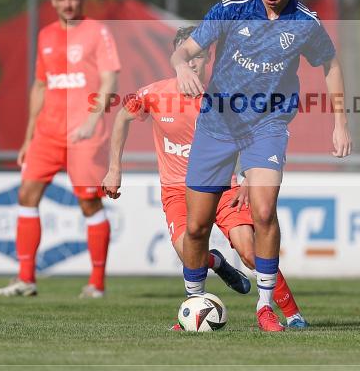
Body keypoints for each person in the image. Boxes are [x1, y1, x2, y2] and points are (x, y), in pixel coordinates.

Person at [171, 0, 352, 331]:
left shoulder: (304, 22)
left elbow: (331, 65)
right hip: (217, 124)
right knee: (197, 226)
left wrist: (340, 123)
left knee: (264, 210)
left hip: (267, 125)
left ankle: (265, 306)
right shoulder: (233, 7)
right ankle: (193, 305)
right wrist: (182, 68)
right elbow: (183, 52)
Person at [101, 26, 309, 329]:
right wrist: (114, 168)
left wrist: (247, 178)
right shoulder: (155, 94)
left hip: (223, 186)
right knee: (190, 255)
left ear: (209, 58)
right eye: (188, 58)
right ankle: (213, 266)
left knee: (250, 251)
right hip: (177, 190)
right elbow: (122, 117)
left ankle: (292, 314)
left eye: (199, 57)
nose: (193, 64)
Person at [0, 0, 120, 298]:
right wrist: (28, 137)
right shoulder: (46, 36)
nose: (67, 4)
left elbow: (109, 80)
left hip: (85, 135)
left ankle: (96, 284)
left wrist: (93, 120)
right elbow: (39, 85)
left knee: (88, 203)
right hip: (47, 135)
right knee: (26, 195)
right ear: (52, 1)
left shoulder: (97, 33)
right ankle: (25, 279)